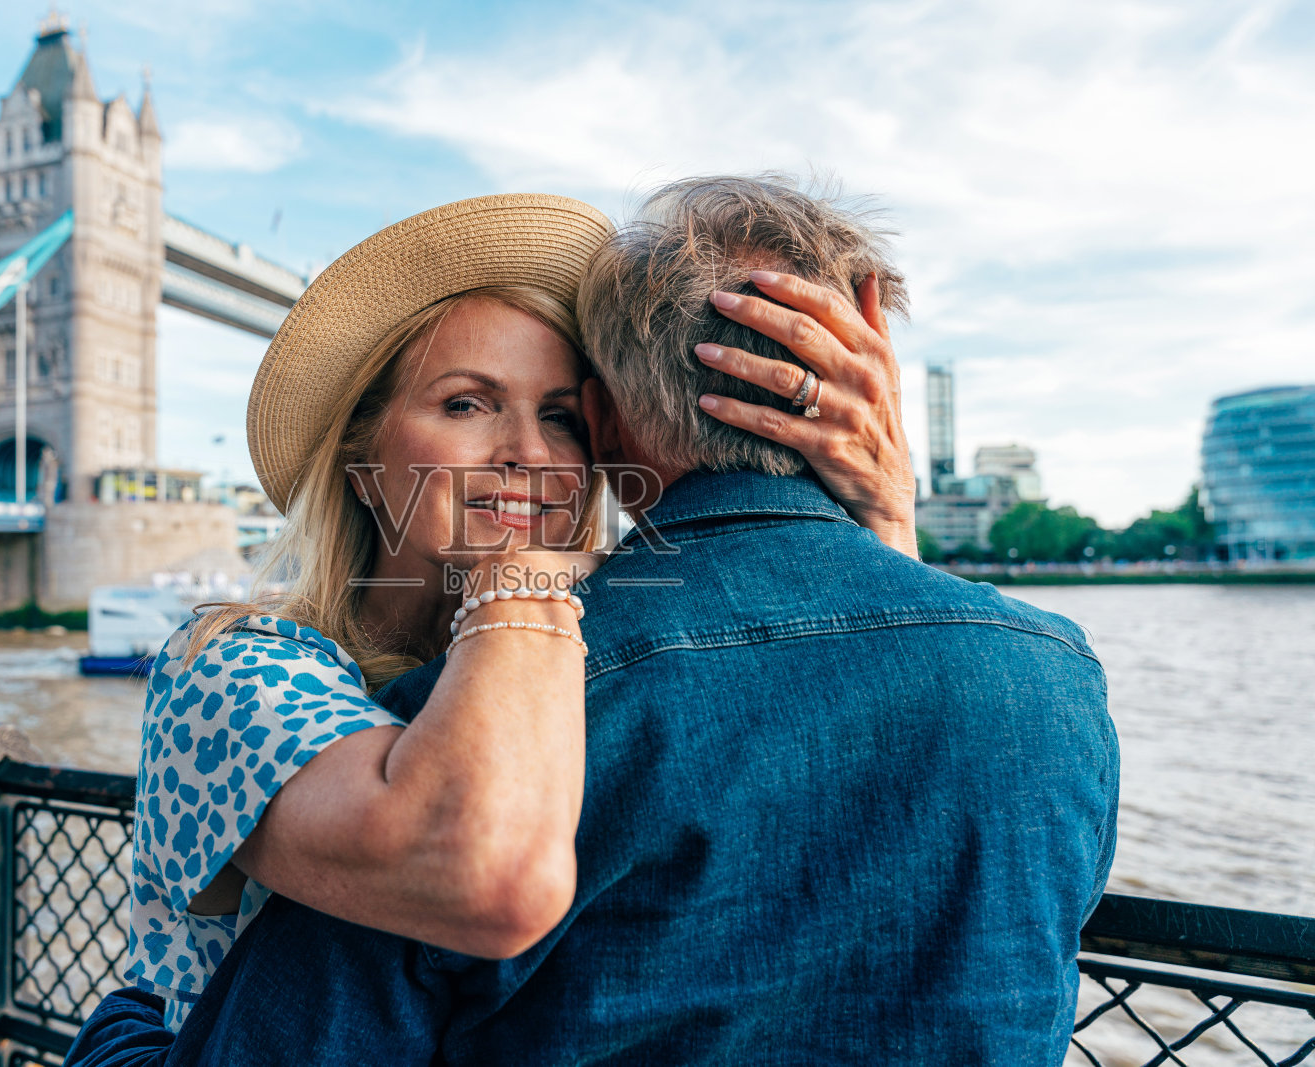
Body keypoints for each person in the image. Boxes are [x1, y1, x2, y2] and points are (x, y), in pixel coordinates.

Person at [94, 191, 922, 1044]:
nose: (527, 453)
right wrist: (524, 570)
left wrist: (886, 524)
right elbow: (477, 869)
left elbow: (863, 755)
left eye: (560, 417)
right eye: (466, 403)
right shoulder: (234, 666)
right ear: (360, 454)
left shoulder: (615, 653)